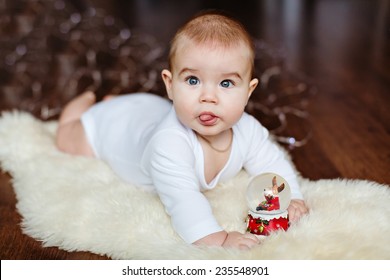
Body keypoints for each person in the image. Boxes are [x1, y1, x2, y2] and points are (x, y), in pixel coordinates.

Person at [56, 11, 308, 250]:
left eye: (226, 83)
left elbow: (272, 163)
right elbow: (184, 203)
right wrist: (218, 240)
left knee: (139, 110)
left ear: (248, 91)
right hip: (113, 128)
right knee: (69, 141)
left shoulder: (248, 129)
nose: (208, 97)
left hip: (147, 110)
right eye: (193, 80)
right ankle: (85, 105)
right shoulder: (169, 144)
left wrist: (292, 197)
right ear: (170, 84)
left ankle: (117, 101)